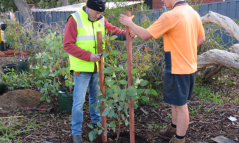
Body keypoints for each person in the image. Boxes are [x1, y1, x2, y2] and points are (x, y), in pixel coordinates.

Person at [119, 0, 205, 142]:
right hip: (189, 66)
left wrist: (129, 23)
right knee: (175, 102)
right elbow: (201, 38)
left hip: (178, 67)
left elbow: (145, 34)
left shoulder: (170, 16)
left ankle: (179, 139)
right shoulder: (193, 13)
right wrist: (186, 49)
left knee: (181, 106)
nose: (163, 1)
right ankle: (173, 128)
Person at [63, 0, 136, 143]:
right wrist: (88, 56)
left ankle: (97, 123)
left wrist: (129, 33)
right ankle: (76, 133)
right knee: (78, 102)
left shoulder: (101, 19)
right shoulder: (75, 19)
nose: (99, 15)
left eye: (101, 12)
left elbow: (114, 31)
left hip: (98, 67)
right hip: (82, 68)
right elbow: (67, 44)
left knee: (96, 98)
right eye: (97, 12)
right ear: (88, 8)